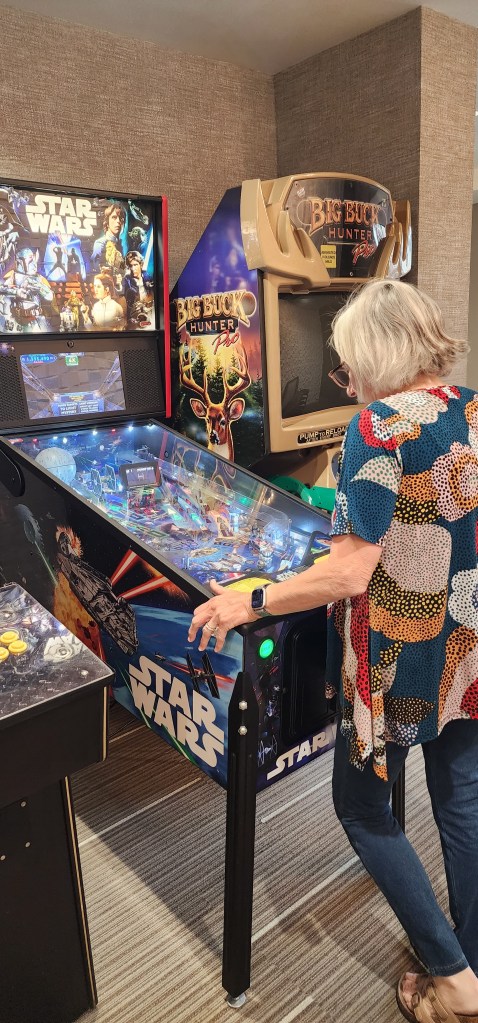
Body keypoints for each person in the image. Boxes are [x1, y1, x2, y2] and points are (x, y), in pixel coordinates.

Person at [188, 278, 478, 1023]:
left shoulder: (376, 428)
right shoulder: (473, 406)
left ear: (375, 356)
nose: (348, 384)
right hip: (467, 644)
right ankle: (474, 963)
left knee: (362, 808)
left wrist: (250, 600)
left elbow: (350, 573)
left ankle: (454, 979)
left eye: (348, 369)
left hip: (396, 657)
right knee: (463, 801)